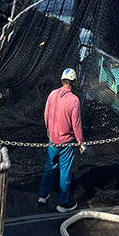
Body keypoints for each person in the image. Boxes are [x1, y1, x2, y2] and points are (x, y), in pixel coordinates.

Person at [38, 68, 86, 213]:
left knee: (49, 167)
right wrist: (81, 142)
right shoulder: (74, 100)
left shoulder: (52, 94)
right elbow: (76, 124)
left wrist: (48, 129)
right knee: (65, 171)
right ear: (74, 82)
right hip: (67, 142)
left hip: (52, 139)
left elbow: (46, 115)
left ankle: (42, 195)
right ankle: (62, 203)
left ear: (62, 81)